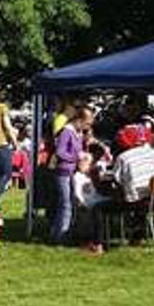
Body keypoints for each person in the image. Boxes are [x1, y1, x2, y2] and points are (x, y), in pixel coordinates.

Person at [51, 106, 95, 244]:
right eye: (87, 123)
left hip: (72, 172)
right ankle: (61, 236)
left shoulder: (77, 133)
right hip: (63, 172)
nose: (87, 127)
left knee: (68, 203)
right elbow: (60, 152)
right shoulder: (66, 132)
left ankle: (60, 232)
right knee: (66, 204)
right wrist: (77, 158)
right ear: (79, 120)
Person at [73, 153, 109, 255]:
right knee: (93, 212)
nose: (89, 166)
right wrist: (82, 203)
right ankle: (94, 242)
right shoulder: (77, 177)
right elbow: (78, 194)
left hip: (95, 200)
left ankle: (101, 240)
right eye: (86, 164)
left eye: (89, 164)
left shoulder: (90, 176)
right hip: (87, 202)